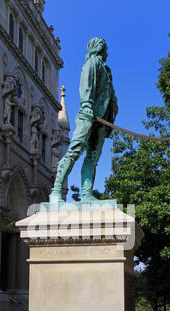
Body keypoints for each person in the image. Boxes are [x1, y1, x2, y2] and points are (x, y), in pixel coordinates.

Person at [50, 37, 118, 202]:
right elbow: (87, 83)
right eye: (105, 48)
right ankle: (56, 191)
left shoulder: (106, 70)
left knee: (93, 157)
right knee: (75, 150)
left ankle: (86, 193)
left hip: (101, 119)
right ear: (100, 48)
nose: (107, 52)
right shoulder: (92, 63)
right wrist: (87, 104)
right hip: (88, 114)